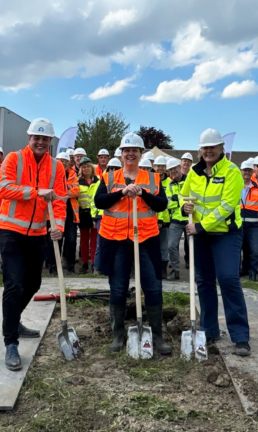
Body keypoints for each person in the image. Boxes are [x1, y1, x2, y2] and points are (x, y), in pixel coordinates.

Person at [0, 118, 66, 371]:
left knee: (34, 283)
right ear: (29, 139)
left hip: (37, 233)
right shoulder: (14, 158)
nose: (40, 142)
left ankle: (13, 320)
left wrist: (58, 225)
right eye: (36, 138)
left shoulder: (57, 167)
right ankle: (11, 343)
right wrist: (36, 191)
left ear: (50, 142)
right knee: (14, 284)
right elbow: (4, 188)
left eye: (45, 139)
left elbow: (58, 200)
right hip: (10, 231)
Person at [95, 132, 171, 355]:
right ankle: (118, 334)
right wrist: (122, 192)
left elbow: (161, 205)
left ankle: (157, 336)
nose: (130, 154)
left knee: (153, 287)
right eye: (126, 151)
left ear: (140, 154)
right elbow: (99, 202)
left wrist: (144, 193)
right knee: (118, 288)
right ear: (121, 154)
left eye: (134, 151)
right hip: (116, 240)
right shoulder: (109, 178)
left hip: (146, 239)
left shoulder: (152, 179)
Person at [182, 129, 250, 356]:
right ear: (200, 150)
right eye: (205, 147)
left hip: (226, 234)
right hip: (200, 236)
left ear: (221, 148)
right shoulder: (194, 171)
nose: (208, 151)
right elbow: (184, 195)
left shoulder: (232, 172)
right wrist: (185, 208)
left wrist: (200, 226)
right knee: (204, 282)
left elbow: (226, 206)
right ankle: (209, 331)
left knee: (229, 279)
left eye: (213, 147)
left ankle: (240, 337)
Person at [93, 157, 122, 274]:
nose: (113, 170)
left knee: (117, 246)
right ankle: (97, 268)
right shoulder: (103, 181)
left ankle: (112, 268)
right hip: (102, 217)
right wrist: (95, 217)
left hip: (118, 219)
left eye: (116, 168)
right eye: (111, 168)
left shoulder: (122, 182)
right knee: (101, 245)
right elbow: (96, 200)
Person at [240, 159, 258, 282]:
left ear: (253, 172)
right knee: (236, 251)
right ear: (241, 171)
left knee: (255, 251)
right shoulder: (234, 186)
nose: (247, 173)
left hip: (254, 225)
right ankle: (236, 272)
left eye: (249, 170)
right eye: (245, 170)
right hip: (238, 224)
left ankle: (253, 273)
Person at [165, 157, 187, 281]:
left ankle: (198, 273)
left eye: (175, 168)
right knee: (171, 246)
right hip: (176, 219)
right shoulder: (170, 185)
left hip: (190, 218)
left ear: (180, 167)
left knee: (195, 248)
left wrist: (176, 199)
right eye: (171, 169)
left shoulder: (189, 180)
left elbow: (193, 198)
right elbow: (168, 204)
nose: (173, 171)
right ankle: (175, 270)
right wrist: (181, 200)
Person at [77, 157, 98, 274]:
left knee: (94, 240)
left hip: (95, 214)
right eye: (83, 167)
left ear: (92, 168)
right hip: (83, 214)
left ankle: (94, 263)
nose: (86, 169)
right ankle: (85, 262)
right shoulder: (77, 182)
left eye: (88, 166)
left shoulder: (98, 181)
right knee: (84, 241)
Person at [62, 151, 81, 274]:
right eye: (60, 161)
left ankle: (70, 266)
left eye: (65, 161)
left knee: (71, 239)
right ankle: (52, 266)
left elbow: (77, 191)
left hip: (71, 213)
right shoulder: (52, 174)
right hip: (56, 212)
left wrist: (63, 192)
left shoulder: (72, 174)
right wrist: (68, 189)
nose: (63, 163)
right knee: (55, 240)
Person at [154, 156, 171, 278]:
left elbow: (169, 201)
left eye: (162, 166)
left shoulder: (170, 183)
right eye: (158, 166)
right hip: (151, 219)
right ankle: (154, 268)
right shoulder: (151, 181)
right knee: (153, 246)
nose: (160, 168)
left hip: (165, 220)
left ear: (166, 168)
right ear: (154, 167)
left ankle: (163, 269)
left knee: (164, 246)